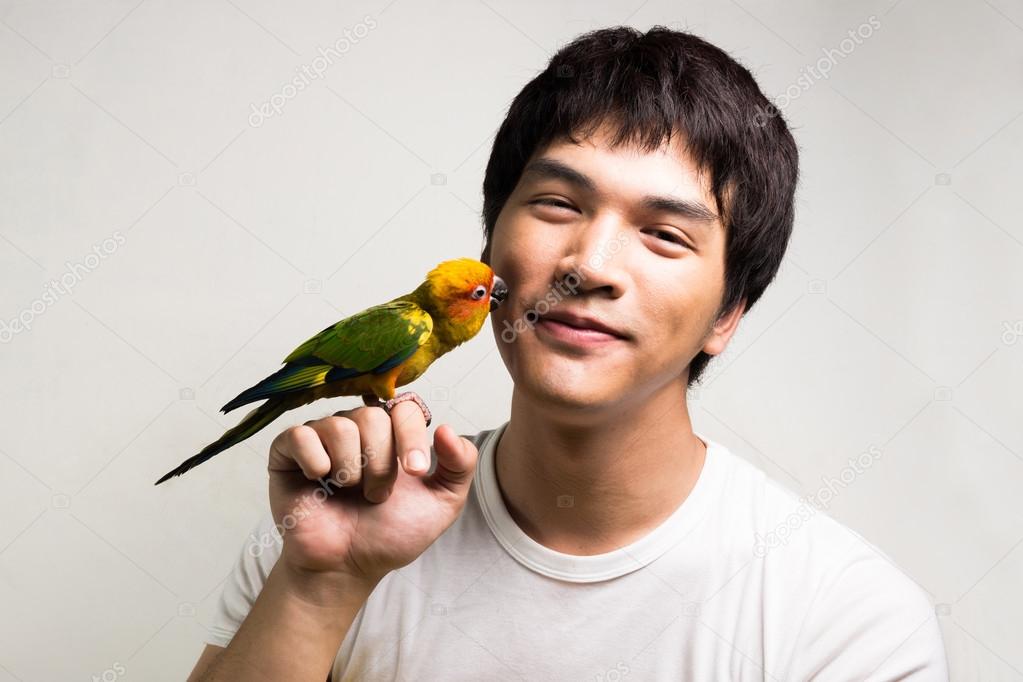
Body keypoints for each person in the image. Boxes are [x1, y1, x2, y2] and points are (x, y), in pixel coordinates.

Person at [188, 26, 949, 681]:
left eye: (664, 233)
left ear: (725, 315)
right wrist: (320, 587)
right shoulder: (327, 530)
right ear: (489, 256)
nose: (589, 264)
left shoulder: (846, 617)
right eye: (558, 204)